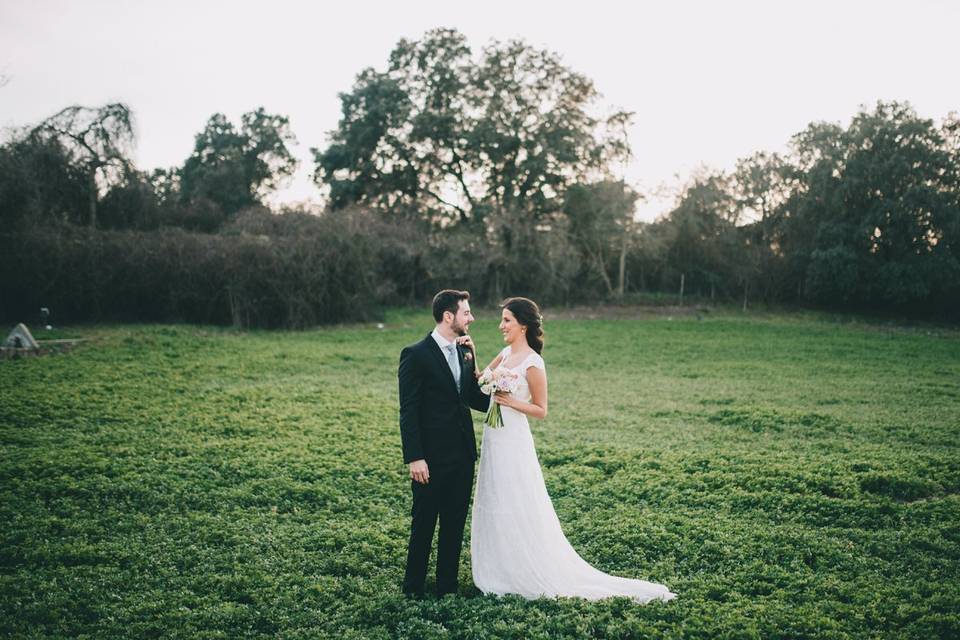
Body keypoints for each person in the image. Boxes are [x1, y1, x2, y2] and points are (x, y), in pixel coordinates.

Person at [471, 296, 677, 603]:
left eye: (506, 320)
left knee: (516, 496)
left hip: (514, 438)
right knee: (495, 496)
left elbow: (541, 409)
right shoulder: (503, 354)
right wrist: (473, 354)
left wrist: (511, 401)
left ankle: (521, 566)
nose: (501, 325)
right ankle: (498, 563)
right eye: (502, 320)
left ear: (523, 325)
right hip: (494, 435)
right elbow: (480, 380)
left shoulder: (533, 363)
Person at [397, 289, 489, 597]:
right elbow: (408, 410)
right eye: (466, 313)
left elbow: (472, 398)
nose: (471, 318)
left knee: (453, 524)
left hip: (462, 454)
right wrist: (415, 457)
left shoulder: (465, 350)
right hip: (430, 459)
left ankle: (446, 587)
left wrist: (505, 394)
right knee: (424, 524)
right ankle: (413, 589)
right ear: (448, 317)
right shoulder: (415, 354)